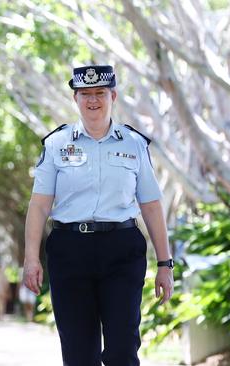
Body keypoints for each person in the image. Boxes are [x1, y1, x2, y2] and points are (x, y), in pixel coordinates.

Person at [22, 65, 174, 365]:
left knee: (121, 349)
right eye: (85, 94)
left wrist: (165, 263)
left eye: (100, 93)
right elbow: (39, 205)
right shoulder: (56, 145)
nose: (93, 100)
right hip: (69, 249)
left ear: (113, 96)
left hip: (122, 249)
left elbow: (152, 205)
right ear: (75, 99)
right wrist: (30, 258)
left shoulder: (134, 144)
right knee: (79, 352)